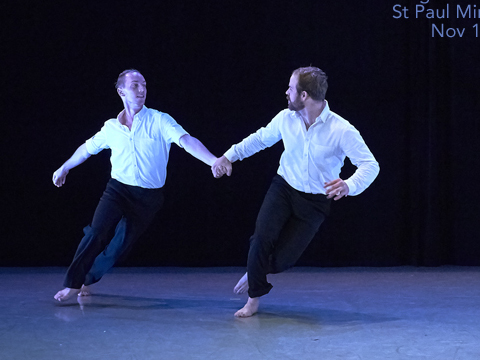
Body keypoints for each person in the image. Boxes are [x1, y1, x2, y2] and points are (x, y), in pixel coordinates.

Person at [211, 66, 379, 317]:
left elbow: (370, 165)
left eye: (290, 88)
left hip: (315, 202)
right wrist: (229, 156)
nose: (286, 92)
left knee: (283, 260)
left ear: (304, 95)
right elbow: (259, 139)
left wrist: (349, 185)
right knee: (260, 239)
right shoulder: (285, 118)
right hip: (284, 188)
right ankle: (253, 300)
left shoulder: (341, 129)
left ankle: (255, 270)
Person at [53, 69, 218, 302]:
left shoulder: (160, 120)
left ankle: (87, 279)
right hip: (118, 190)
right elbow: (86, 149)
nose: (142, 90)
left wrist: (213, 161)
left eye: (144, 85)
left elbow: (186, 141)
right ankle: (72, 283)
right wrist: (64, 167)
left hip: (148, 198)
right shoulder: (111, 128)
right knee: (96, 232)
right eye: (135, 86)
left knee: (118, 247)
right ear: (121, 91)